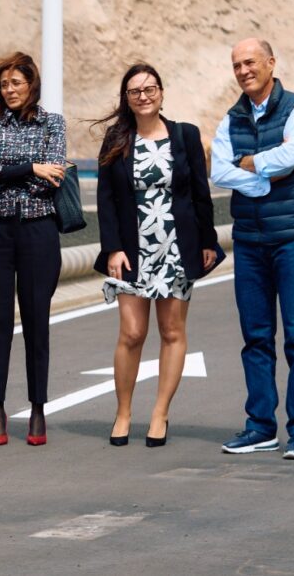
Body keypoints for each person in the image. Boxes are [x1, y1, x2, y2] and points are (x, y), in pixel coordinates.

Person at [92, 63, 223, 448]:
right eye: (135, 91)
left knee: (171, 332)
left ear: (162, 93)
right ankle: (123, 412)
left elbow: (200, 194)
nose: (144, 96)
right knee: (132, 333)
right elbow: (106, 199)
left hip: (176, 246)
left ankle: (160, 413)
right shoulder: (116, 139)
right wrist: (112, 247)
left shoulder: (185, 136)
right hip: (133, 249)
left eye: (150, 89)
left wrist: (206, 243)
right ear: (127, 99)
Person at [210, 38, 294, 460]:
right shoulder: (231, 119)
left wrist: (250, 162)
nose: (243, 70)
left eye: (250, 62)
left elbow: (292, 158)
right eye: (237, 64)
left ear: (271, 63)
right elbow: (219, 170)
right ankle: (260, 427)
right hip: (250, 240)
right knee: (255, 337)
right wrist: (261, 175)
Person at [0, 51, 66, 446]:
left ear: (32, 85)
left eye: (17, 83)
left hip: (38, 231)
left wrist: (7, 171)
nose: (9, 90)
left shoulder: (53, 124)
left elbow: (54, 177)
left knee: (36, 322)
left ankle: (38, 408)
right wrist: (30, 168)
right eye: (4, 84)